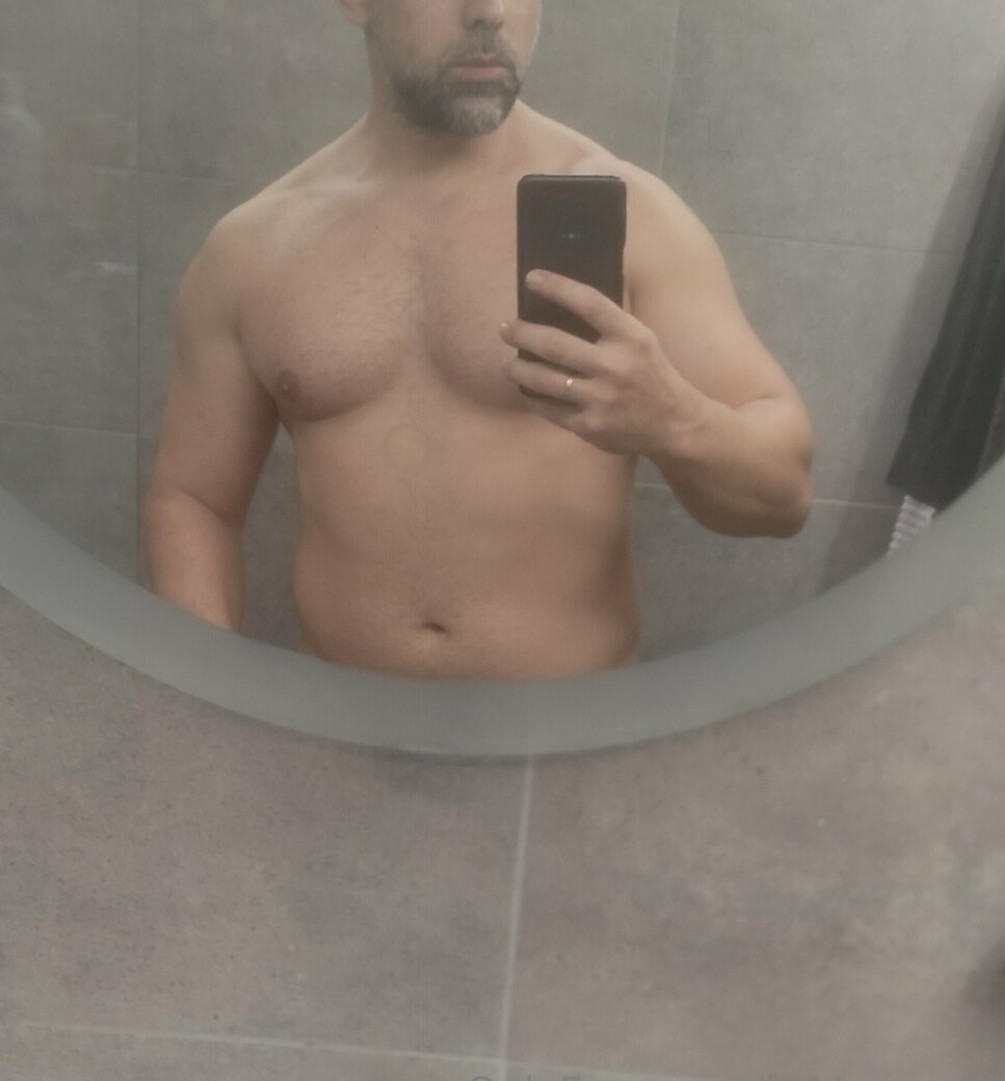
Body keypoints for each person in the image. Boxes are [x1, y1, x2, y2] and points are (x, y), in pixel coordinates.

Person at [143, 0, 814, 681]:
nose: (488, 10)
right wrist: (202, 699)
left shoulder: (638, 217)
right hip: (334, 726)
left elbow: (786, 494)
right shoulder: (256, 248)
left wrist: (674, 420)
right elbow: (194, 501)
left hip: (559, 733)